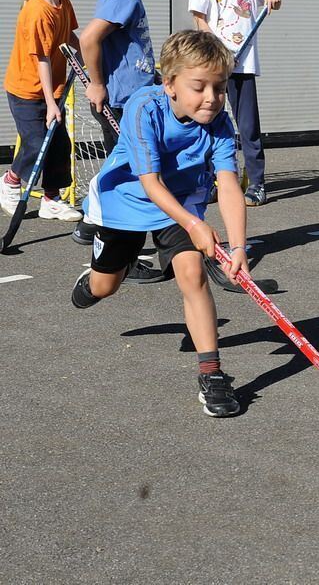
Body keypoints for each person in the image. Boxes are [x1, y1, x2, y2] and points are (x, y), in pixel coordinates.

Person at [71, 30, 247, 418]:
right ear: (169, 84)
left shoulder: (218, 122)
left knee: (193, 276)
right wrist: (196, 225)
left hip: (179, 202)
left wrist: (238, 249)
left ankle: (211, 373)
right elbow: (150, 183)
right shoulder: (142, 107)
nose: (212, 98)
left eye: (220, 88)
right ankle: (94, 280)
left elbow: (230, 185)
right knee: (106, 286)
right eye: (199, 87)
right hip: (127, 204)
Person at [72, 0, 168, 284]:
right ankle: (105, 240)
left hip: (134, 95)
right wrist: (97, 84)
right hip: (122, 102)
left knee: (130, 170)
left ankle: (99, 232)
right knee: (132, 175)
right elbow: (90, 39)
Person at [190, 0, 282, 207]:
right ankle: (212, 179)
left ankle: (256, 183)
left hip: (243, 68)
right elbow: (200, 20)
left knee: (248, 126)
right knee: (209, 123)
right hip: (214, 66)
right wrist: (219, 52)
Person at [2, 0, 82, 221]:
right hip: (26, 91)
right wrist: (51, 104)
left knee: (60, 144)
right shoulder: (36, 11)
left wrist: (86, 63)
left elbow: (70, 38)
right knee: (37, 143)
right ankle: (11, 181)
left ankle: (51, 199)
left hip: (52, 88)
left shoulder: (63, 3)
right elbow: (43, 60)